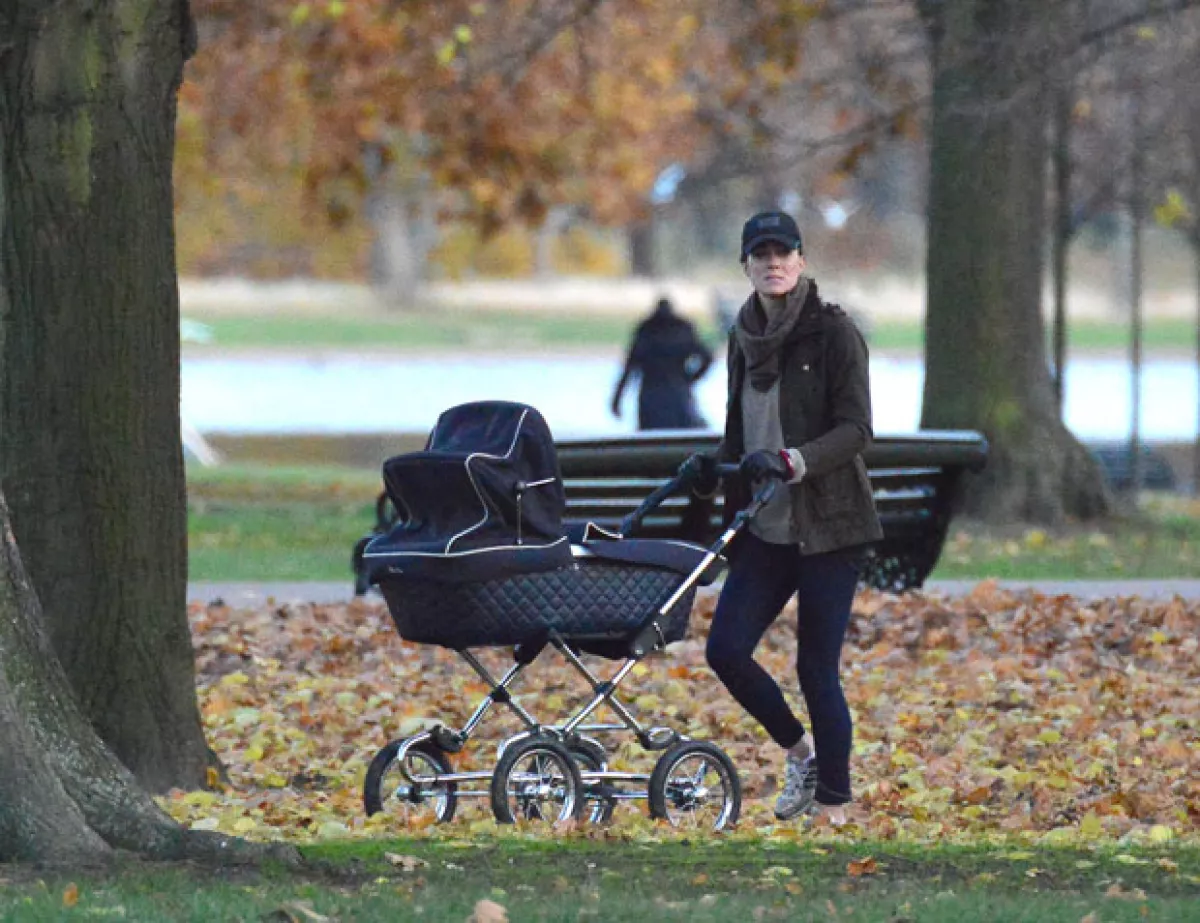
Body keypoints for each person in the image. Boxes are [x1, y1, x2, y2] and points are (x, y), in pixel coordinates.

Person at [680, 209, 882, 826]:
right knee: (726, 650)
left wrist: (796, 460)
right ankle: (801, 755)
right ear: (745, 266)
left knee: (815, 667)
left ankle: (834, 804)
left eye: (783, 252)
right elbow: (742, 433)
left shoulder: (834, 332)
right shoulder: (742, 336)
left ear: (801, 260)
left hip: (829, 525)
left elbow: (857, 430)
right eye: (761, 254)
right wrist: (712, 468)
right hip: (766, 527)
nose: (773, 263)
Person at [610, 297, 714, 430]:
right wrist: (690, 378)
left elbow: (629, 368)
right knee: (685, 431)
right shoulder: (681, 329)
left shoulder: (646, 330)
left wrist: (617, 399)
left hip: (651, 393)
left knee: (651, 434)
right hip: (676, 390)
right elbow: (707, 357)